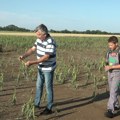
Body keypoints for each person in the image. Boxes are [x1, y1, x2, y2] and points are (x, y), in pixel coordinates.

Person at [19, 24, 56, 115]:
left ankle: (49, 108)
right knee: (38, 85)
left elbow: (46, 57)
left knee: (48, 88)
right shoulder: (39, 39)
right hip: (40, 67)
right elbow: (32, 49)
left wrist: (32, 62)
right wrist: (24, 56)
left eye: (39, 35)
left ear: (45, 34)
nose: (37, 37)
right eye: (37, 35)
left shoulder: (50, 42)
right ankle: (36, 104)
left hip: (48, 69)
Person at [104, 36, 120, 118]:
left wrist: (111, 67)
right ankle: (116, 105)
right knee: (112, 91)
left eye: (111, 45)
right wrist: (107, 66)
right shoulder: (109, 51)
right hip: (110, 73)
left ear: (116, 44)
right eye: (109, 45)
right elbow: (109, 61)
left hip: (118, 74)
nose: (109, 47)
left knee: (113, 91)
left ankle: (110, 110)